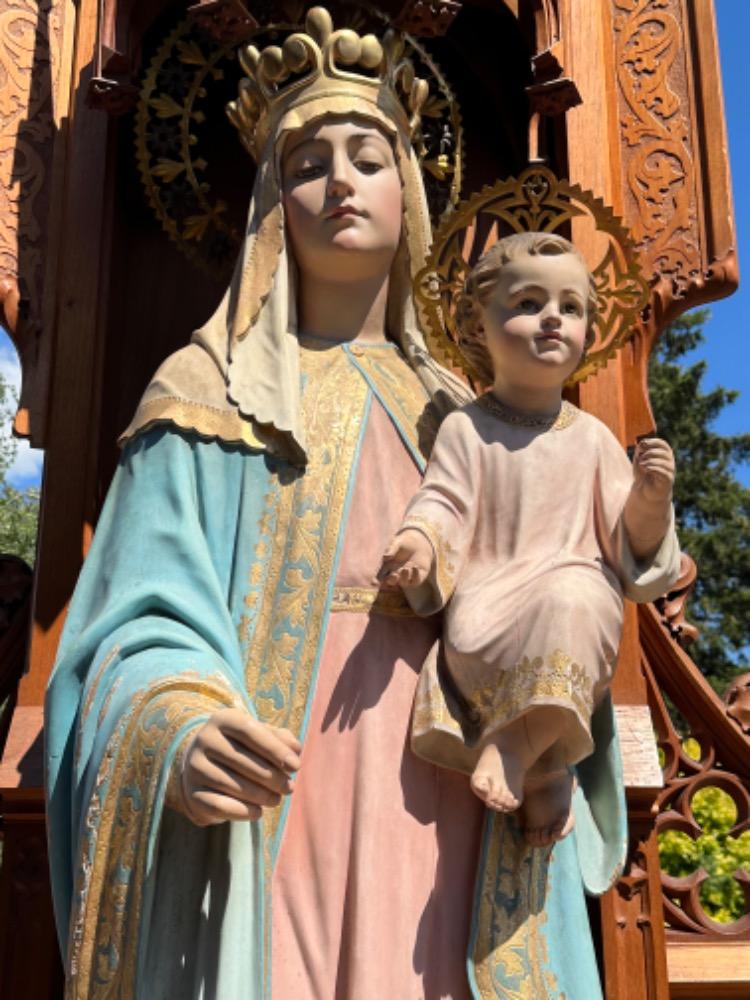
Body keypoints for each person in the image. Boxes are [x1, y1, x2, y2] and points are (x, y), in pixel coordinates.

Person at [45, 9, 631, 998]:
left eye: (368, 156)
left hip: (452, 795)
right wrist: (176, 730)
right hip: (286, 793)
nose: (340, 182)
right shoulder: (206, 393)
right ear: (272, 202)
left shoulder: (475, 415)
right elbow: (132, 624)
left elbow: (561, 592)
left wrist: (553, 736)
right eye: (307, 162)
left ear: (409, 191)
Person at [380, 232, 681, 848]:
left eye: (571, 308)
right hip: (491, 611)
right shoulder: (467, 428)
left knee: (577, 595)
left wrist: (650, 499)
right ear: (478, 326)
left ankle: (522, 748)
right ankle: (546, 763)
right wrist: (419, 543)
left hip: (573, 606)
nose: (553, 319)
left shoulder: (592, 437)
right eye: (528, 304)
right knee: (554, 608)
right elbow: (443, 501)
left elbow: (634, 553)